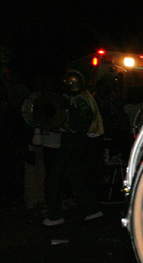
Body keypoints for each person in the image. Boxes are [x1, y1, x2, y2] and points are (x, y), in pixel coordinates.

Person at [42, 70, 103, 226]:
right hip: (75, 140)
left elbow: (80, 122)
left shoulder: (79, 100)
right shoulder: (81, 97)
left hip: (73, 140)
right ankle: (93, 209)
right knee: (75, 177)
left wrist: (64, 125)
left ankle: (55, 215)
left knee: (56, 177)